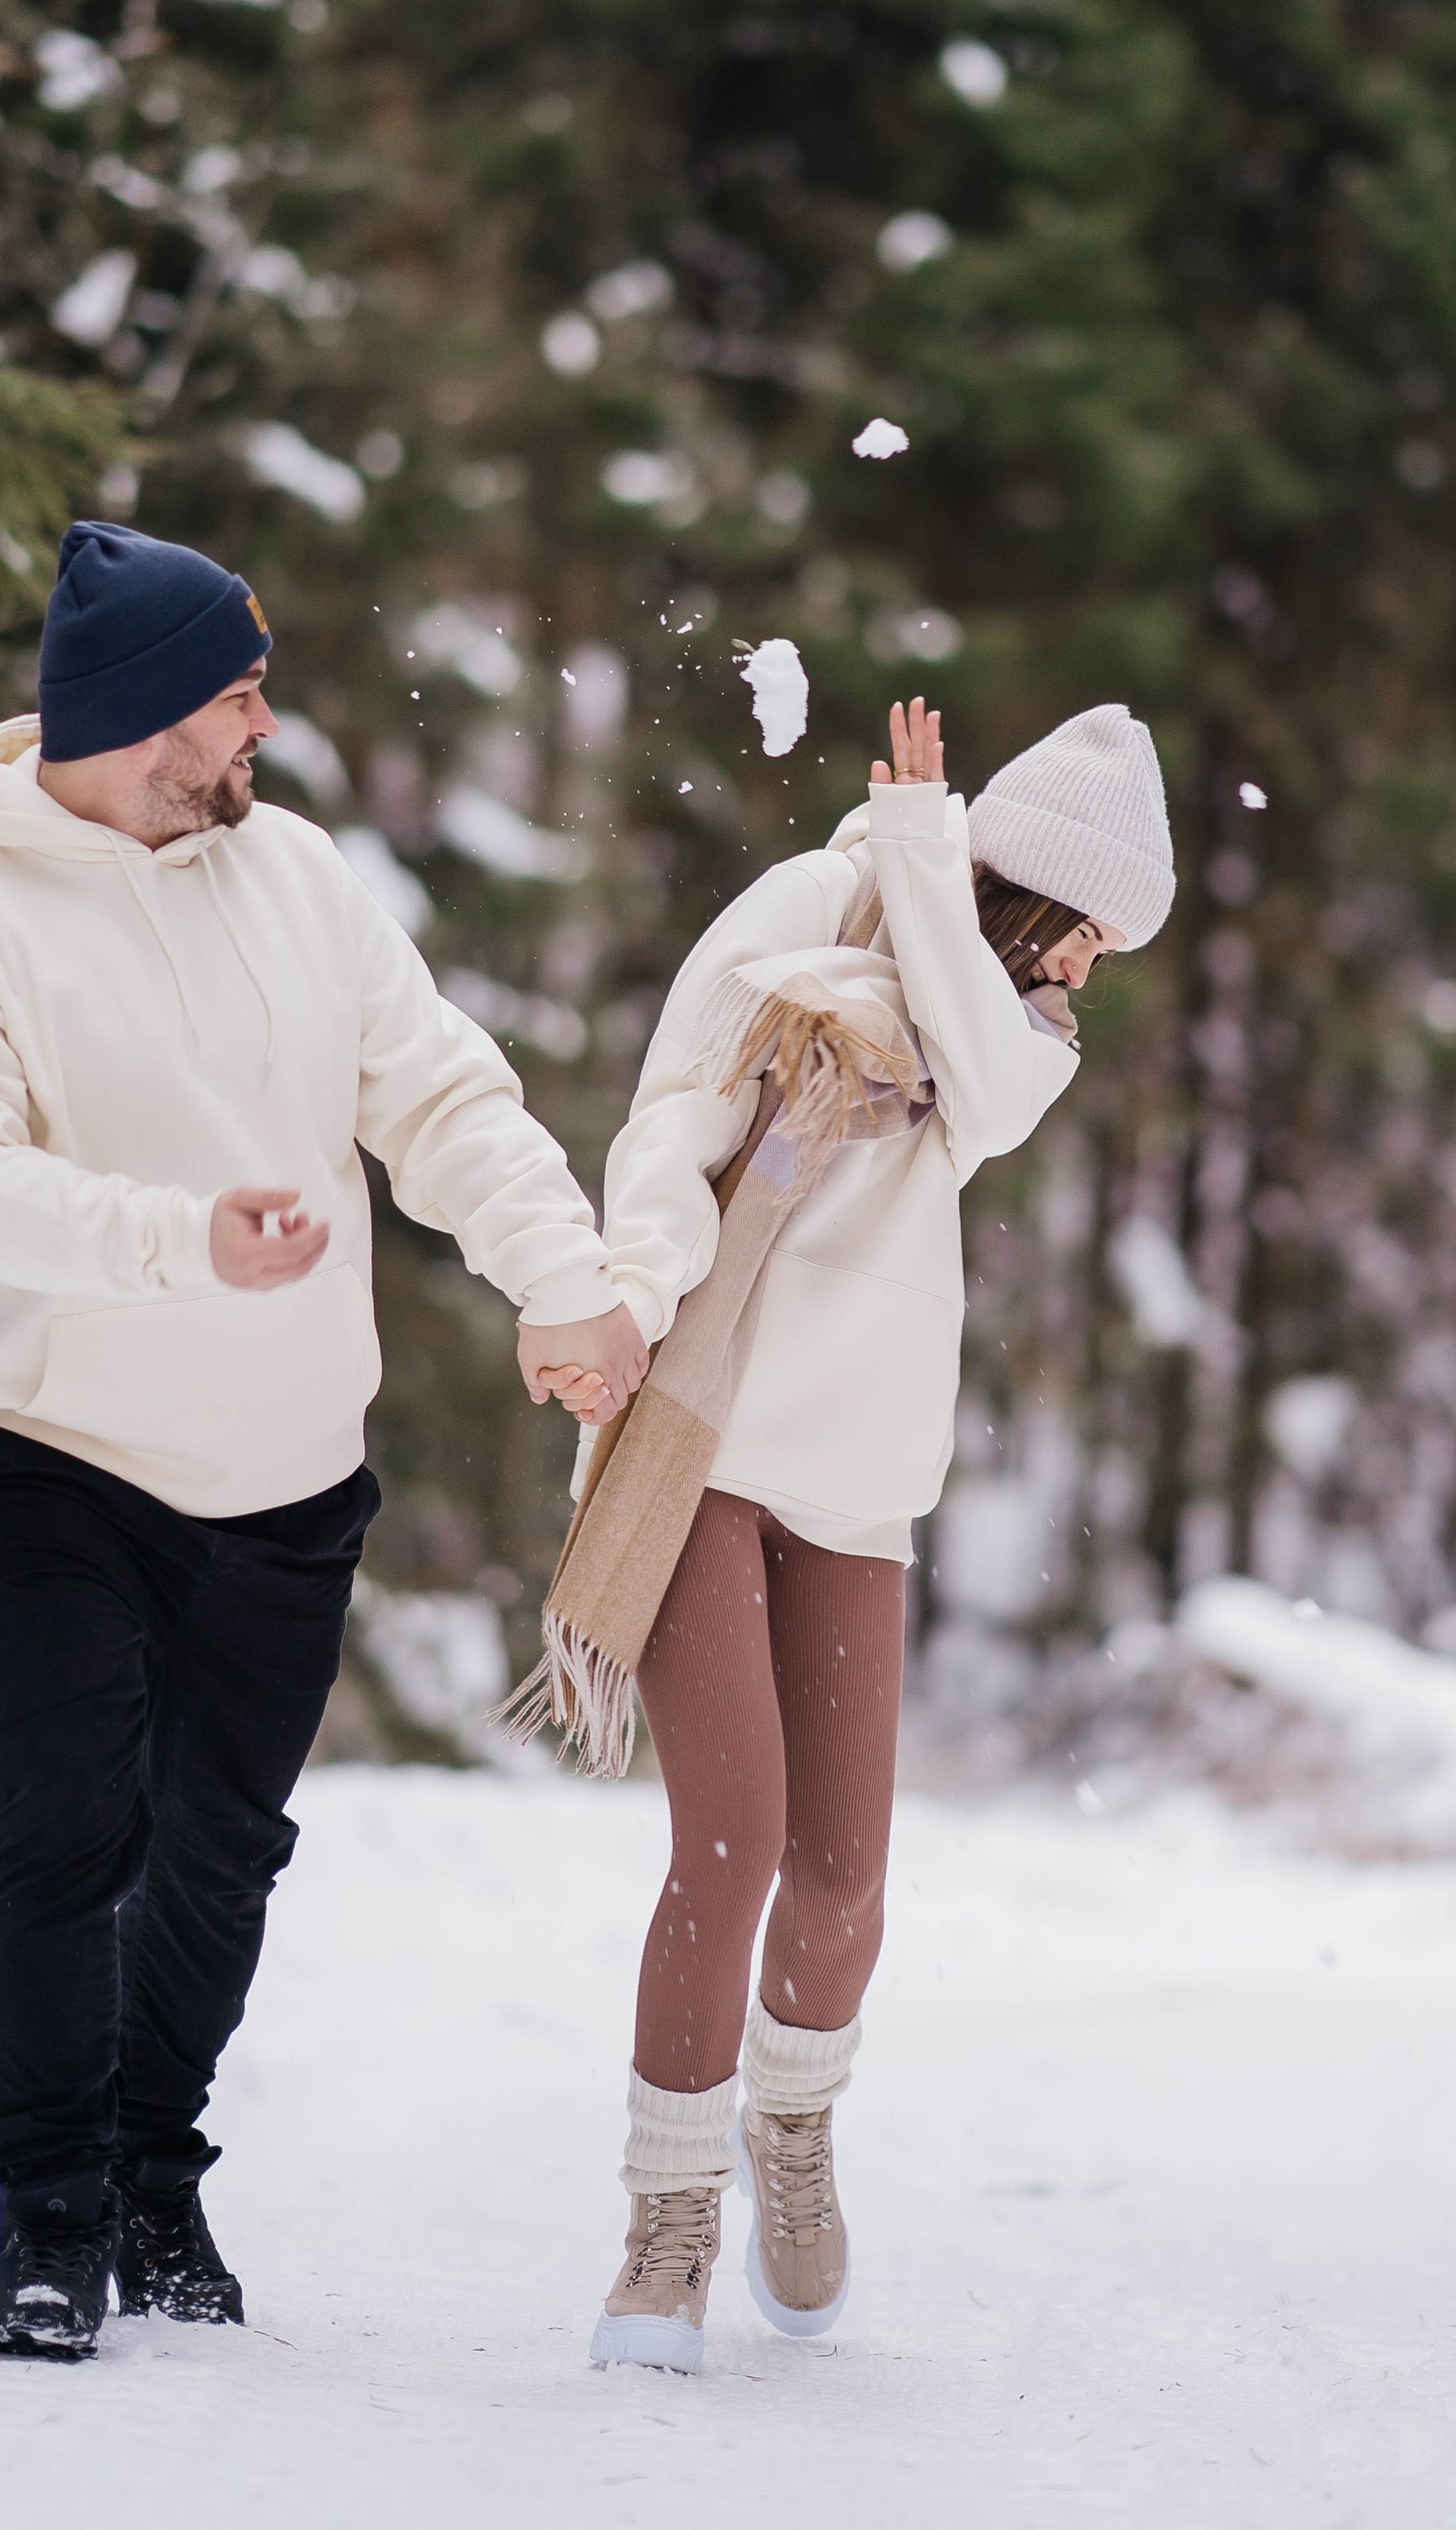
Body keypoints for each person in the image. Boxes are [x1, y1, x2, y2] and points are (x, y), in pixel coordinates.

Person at [0, 519, 645, 2361]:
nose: (264, 724)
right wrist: (173, 1241)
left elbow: (440, 1093)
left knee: (216, 1848)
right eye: (236, 696)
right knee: (68, 1828)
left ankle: (150, 2175)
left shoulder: (292, 876)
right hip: (30, 1445)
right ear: (141, 719)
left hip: (284, 1479)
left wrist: (560, 1276)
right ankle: (45, 2214)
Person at [566, 695, 1174, 2373]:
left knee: (840, 1880)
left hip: (860, 1467)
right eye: (1078, 932)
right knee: (732, 1843)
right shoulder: (789, 917)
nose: (1083, 972)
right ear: (1021, 890)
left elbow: (975, 1070)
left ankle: (791, 2129)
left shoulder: (1012, 1031)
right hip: (699, 1431)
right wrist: (619, 1304)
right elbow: (668, 1126)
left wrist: (920, 853)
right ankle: (666, 2216)